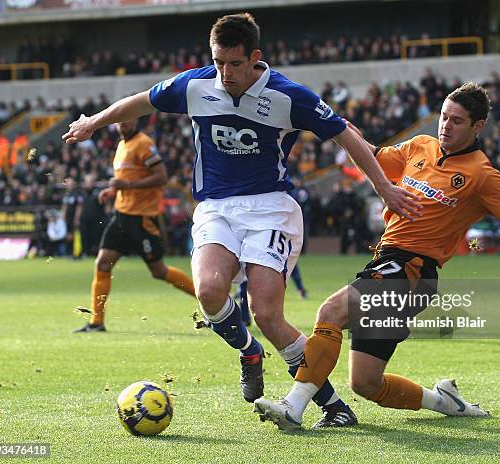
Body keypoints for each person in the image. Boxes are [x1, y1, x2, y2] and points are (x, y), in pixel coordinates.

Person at [63, 13, 420, 426]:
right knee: (210, 291)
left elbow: (346, 135)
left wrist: (384, 188)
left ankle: (333, 407)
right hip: (215, 206)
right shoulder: (195, 85)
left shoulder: (288, 96)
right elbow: (141, 100)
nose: (226, 73)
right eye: (219, 63)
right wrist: (93, 122)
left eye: (235, 64)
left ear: (255, 58)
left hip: (271, 208)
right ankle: (249, 352)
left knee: (268, 313)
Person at [253, 83, 500, 430]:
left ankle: (293, 406)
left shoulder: (482, 175)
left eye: (456, 121)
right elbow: (371, 156)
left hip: (412, 270)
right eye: (443, 117)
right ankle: (446, 401)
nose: (445, 126)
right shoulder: (419, 147)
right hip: (389, 261)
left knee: (330, 311)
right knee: (365, 383)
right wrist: (338, 127)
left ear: (477, 126)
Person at [74, 118, 196, 332]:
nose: (123, 124)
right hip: (122, 215)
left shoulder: (143, 143)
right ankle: (96, 322)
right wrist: (114, 191)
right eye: (120, 121)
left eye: (128, 120)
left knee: (159, 271)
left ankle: (211, 297)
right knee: (102, 264)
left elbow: (161, 177)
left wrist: (127, 185)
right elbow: (127, 179)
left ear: (135, 121)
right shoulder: (122, 145)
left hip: (143, 219)